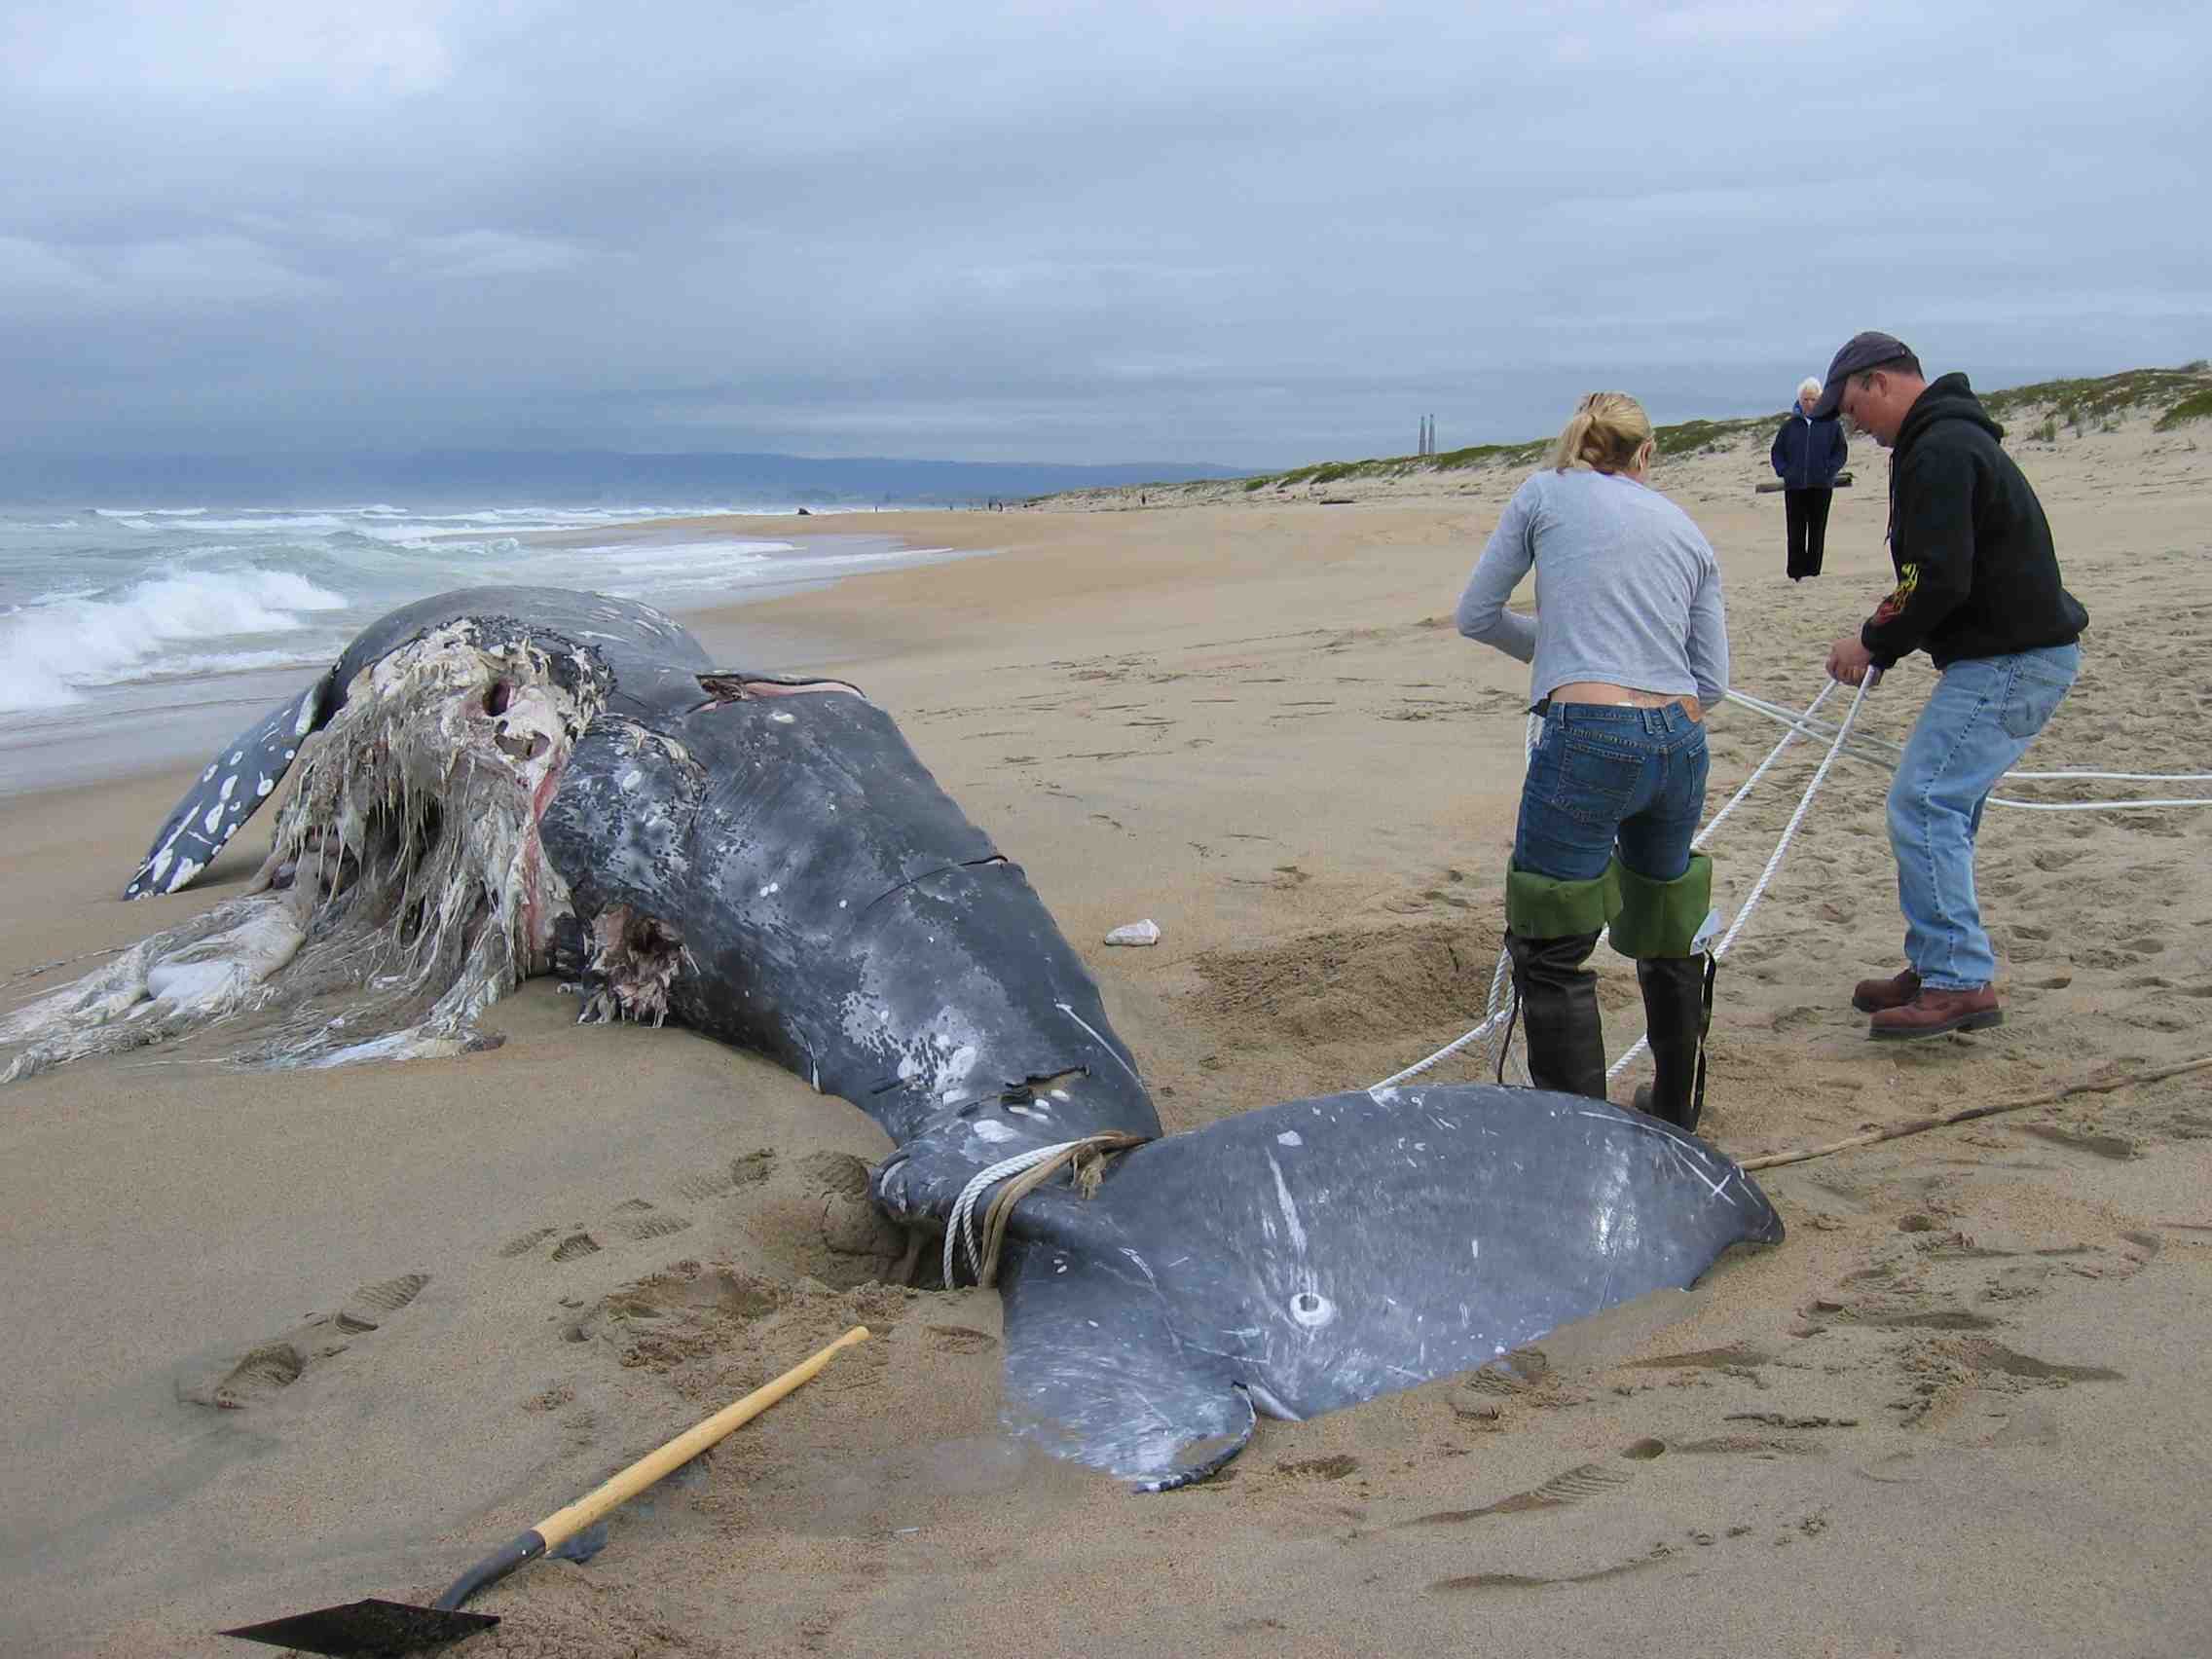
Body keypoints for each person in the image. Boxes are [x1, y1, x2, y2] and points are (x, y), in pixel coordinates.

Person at [1456, 392, 1730, 1129]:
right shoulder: (1684, 526)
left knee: (1550, 947)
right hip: (1681, 737)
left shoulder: (1544, 492)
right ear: (1645, 456)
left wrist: (1562, 656)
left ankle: (1586, 1141)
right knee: (1669, 919)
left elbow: (1475, 614)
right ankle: (1678, 1107)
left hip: (1587, 736)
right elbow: (1714, 684)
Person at [1811, 332, 2088, 1039]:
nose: (1854, 429)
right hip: (2006, 654)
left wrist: (1873, 644)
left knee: (1925, 802)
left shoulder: (1940, 448)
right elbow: (1930, 577)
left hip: (2014, 658)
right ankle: (1939, 963)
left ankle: (1960, 980)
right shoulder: (1939, 442)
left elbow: (1938, 578)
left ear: (1877, 383)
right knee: (1944, 808)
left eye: (1850, 411)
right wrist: (1880, 642)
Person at [1770, 375, 1848, 578]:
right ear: (1799, 400)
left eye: (1813, 399)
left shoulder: (1831, 424)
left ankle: (1813, 570)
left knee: (1816, 530)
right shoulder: (1790, 425)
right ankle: (1795, 571)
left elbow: (1840, 452)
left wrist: (1829, 470)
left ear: (1820, 399)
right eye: (1806, 399)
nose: (1809, 403)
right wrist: (1784, 470)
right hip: (1794, 485)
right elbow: (1777, 452)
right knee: (1795, 530)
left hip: (1821, 485)